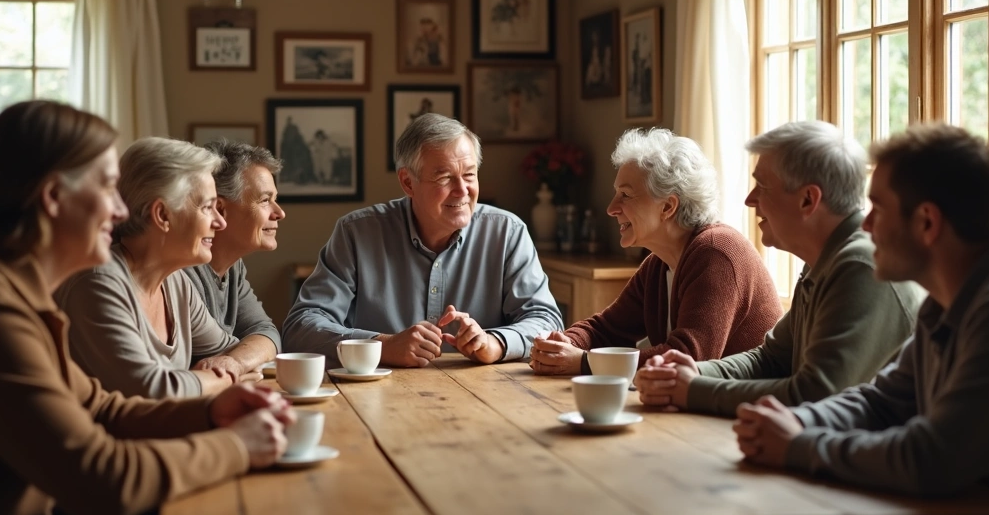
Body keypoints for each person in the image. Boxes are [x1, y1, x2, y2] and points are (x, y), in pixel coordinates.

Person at [0, 101, 292, 515]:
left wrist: (209, 414)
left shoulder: (3, 286)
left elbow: (100, 407)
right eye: (108, 188)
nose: (119, 210)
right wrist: (237, 446)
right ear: (53, 197)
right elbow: (104, 484)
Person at [733, 124, 989, 515]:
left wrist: (799, 446)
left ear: (927, 222)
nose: (866, 225)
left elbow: (932, 459)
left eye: (877, 208)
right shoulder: (946, 305)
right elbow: (880, 401)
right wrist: (798, 421)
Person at [635, 120, 923, 416]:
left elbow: (816, 394)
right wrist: (692, 372)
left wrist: (692, 389)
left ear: (808, 200)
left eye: (762, 186)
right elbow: (771, 359)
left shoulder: (861, 266)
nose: (750, 200)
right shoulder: (824, 261)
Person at [283, 112, 563, 368]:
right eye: (444, 178)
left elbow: (547, 321)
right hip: (376, 400)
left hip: (484, 399)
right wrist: (382, 345)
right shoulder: (357, 233)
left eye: (469, 175)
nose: (462, 191)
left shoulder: (507, 233)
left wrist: (497, 343)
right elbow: (301, 327)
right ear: (407, 182)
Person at [530, 128, 782, 375]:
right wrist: (563, 344)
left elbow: (688, 358)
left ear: (667, 207)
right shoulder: (659, 264)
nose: (611, 208)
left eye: (625, 195)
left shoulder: (716, 252)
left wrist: (587, 362)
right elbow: (605, 329)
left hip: (748, 408)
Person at [56, 137, 265, 399]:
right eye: (208, 207)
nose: (220, 222)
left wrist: (234, 365)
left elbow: (233, 352)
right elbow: (152, 390)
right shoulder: (98, 282)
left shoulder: (175, 283)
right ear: (163, 215)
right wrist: (226, 378)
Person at [181, 140, 285, 378]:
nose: (279, 213)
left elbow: (266, 332)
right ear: (220, 208)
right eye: (265, 200)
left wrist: (236, 362)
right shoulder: (180, 269)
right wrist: (240, 359)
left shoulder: (233, 267)